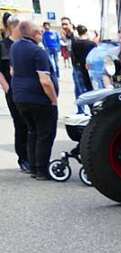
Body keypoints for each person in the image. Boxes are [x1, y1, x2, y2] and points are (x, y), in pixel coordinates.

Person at [10, 19, 58, 180]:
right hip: (38, 98)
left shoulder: (15, 47)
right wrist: (53, 99)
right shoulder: (38, 52)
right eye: (40, 32)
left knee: (32, 132)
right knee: (45, 133)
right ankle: (42, 170)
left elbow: (12, 71)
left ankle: (33, 167)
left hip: (20, 97)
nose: (41, 34)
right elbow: (45, 80)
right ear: (35, 34)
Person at [0, 14, 30, 172]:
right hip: (13, 91)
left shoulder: (26, 44)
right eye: (21, 26)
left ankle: (32, 156)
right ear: (12, 27)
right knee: (20, 124)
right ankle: (23, 158)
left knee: (31, 124)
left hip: (28, 91)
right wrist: (6, 87)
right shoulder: (3, 45)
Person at [70, 24, 95, 110]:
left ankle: (81, 109)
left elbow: (73, 56)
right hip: (90, 68)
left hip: (79, 67)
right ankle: (92, 107)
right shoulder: (91, 44)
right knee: (91, 88)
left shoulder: (75, 43)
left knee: (80, 88)